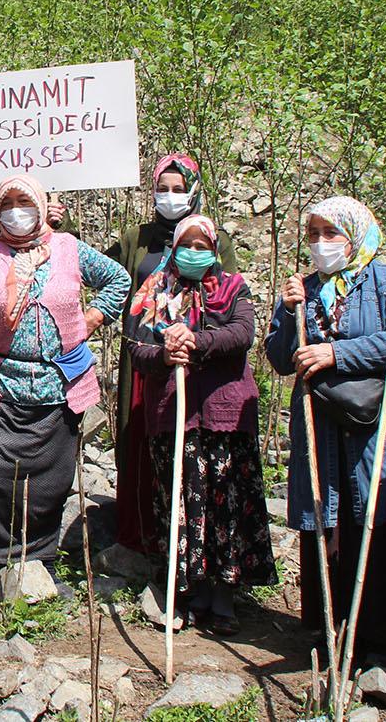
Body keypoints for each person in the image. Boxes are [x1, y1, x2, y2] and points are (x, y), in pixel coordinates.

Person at [0, 174, 130, 623]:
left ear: (41, 206)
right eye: (8, 203)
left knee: (48, 484)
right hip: (1, 387)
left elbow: (118, 278)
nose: (16, 210)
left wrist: (93, 318)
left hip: (59, 388)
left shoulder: (69, 249)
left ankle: (39, 564)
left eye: (25, 201)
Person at [263, 196, 386, 671]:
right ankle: (333, 627)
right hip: (322, 425)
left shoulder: (385, 280)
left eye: (331, 234)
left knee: (381, 514)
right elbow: (280, 359)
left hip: (379, 423)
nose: (321, 245)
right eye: (313, 235)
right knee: (331, 515)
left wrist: (335, 356)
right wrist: (286, 314)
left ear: (356, 235)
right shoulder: (303, 288)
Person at [125, 214, 273, 634]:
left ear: (213, 249)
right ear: (173, 247)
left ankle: (224, 598)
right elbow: (137, 345)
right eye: (185, 244)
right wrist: (164, 357)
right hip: (174, 412)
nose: (194, 252)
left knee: (224, 501)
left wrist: (198, 341)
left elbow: (243, 332)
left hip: (224, 413)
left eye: (201, 245)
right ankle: (188, 593)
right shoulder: (154, 290)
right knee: (182, 503)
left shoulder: (232, 287)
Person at [113, 154, 237, 554]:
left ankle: (190, 548)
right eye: (162, 189)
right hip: (146, 359)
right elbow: (106, 272)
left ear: (195, 190)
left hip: (198, 362)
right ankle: (139, 533)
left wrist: (197, 341)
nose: (169, 196)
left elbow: (228, 296)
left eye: (178, 189)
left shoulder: (213, 238)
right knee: (140, 439)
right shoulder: (138, 238)